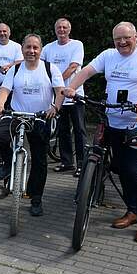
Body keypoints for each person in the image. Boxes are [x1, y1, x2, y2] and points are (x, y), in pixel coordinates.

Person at [63, 22, 137, 243]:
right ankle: (132, 211)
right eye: (117, 39)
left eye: (126, 38)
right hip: (113, 121)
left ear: (136, 36)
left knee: (136, 171)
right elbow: (85, 71)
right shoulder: (108, 55)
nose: (122, 42)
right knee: (122, 169)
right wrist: (71, 87)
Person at [0, 34, 65, 217]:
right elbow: (5, 89)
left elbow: (59, 91)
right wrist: (0, 104)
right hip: (16, 114)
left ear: (40, 50)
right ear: (22, 49)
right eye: (28, 47)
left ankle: (36, 198)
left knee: (40, 160)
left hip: (40, 117)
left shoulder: (50, 68)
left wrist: (55, 107)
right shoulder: (15, 69)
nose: (31, 51)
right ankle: (9, 162)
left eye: (35, 48)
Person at [41, 18, 87, 177]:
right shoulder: (47, 48)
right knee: (63, 131)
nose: (61, 30)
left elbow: (73, 67)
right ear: (55, 30)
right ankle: (67, 162)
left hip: (75, 95)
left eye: (64, 27)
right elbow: (41, 67)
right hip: (57, 98)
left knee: (79, 131)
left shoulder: (77, 45)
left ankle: (82, 164)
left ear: (69, 29)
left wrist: (57, 82)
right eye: (59, 27)